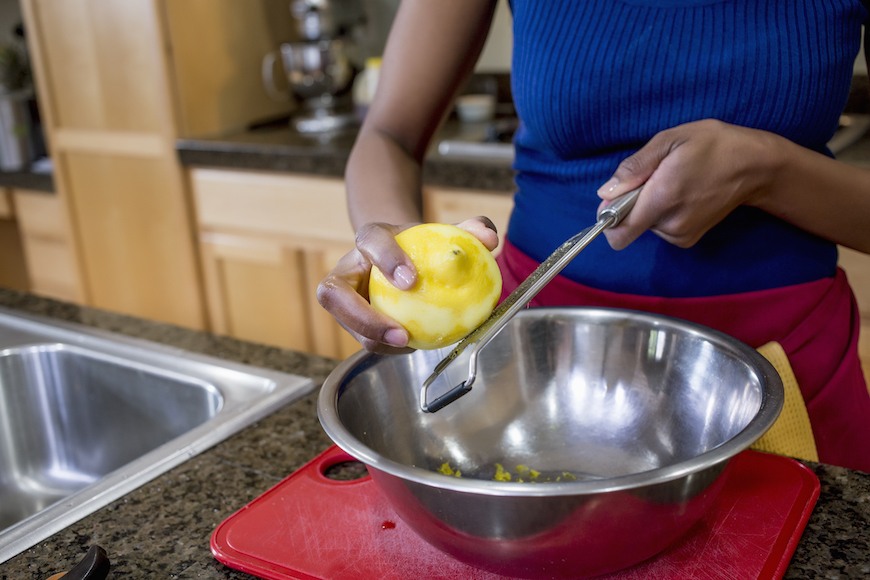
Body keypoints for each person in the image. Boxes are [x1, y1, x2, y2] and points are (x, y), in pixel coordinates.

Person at [316, 0, 870, 472]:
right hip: (534, 359)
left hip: (779, 366)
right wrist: (396, 256)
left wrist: (770, 171)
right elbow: (388, 134)